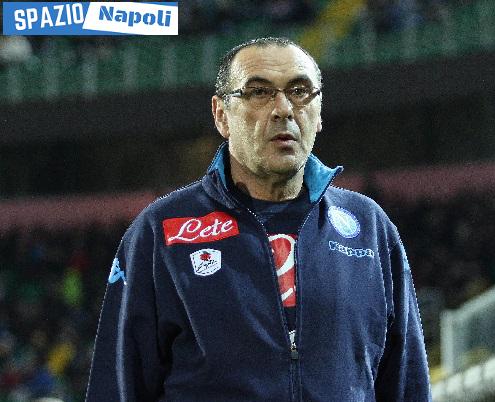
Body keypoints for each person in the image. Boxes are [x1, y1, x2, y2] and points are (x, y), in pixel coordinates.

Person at [86, 37, 431, 402]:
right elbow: (117, 387)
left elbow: (406, 383)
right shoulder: (160, 232)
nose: (283, 109)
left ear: (319, 112)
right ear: (221, 115)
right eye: (259, 92)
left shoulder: (370, 228)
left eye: (299, 91)